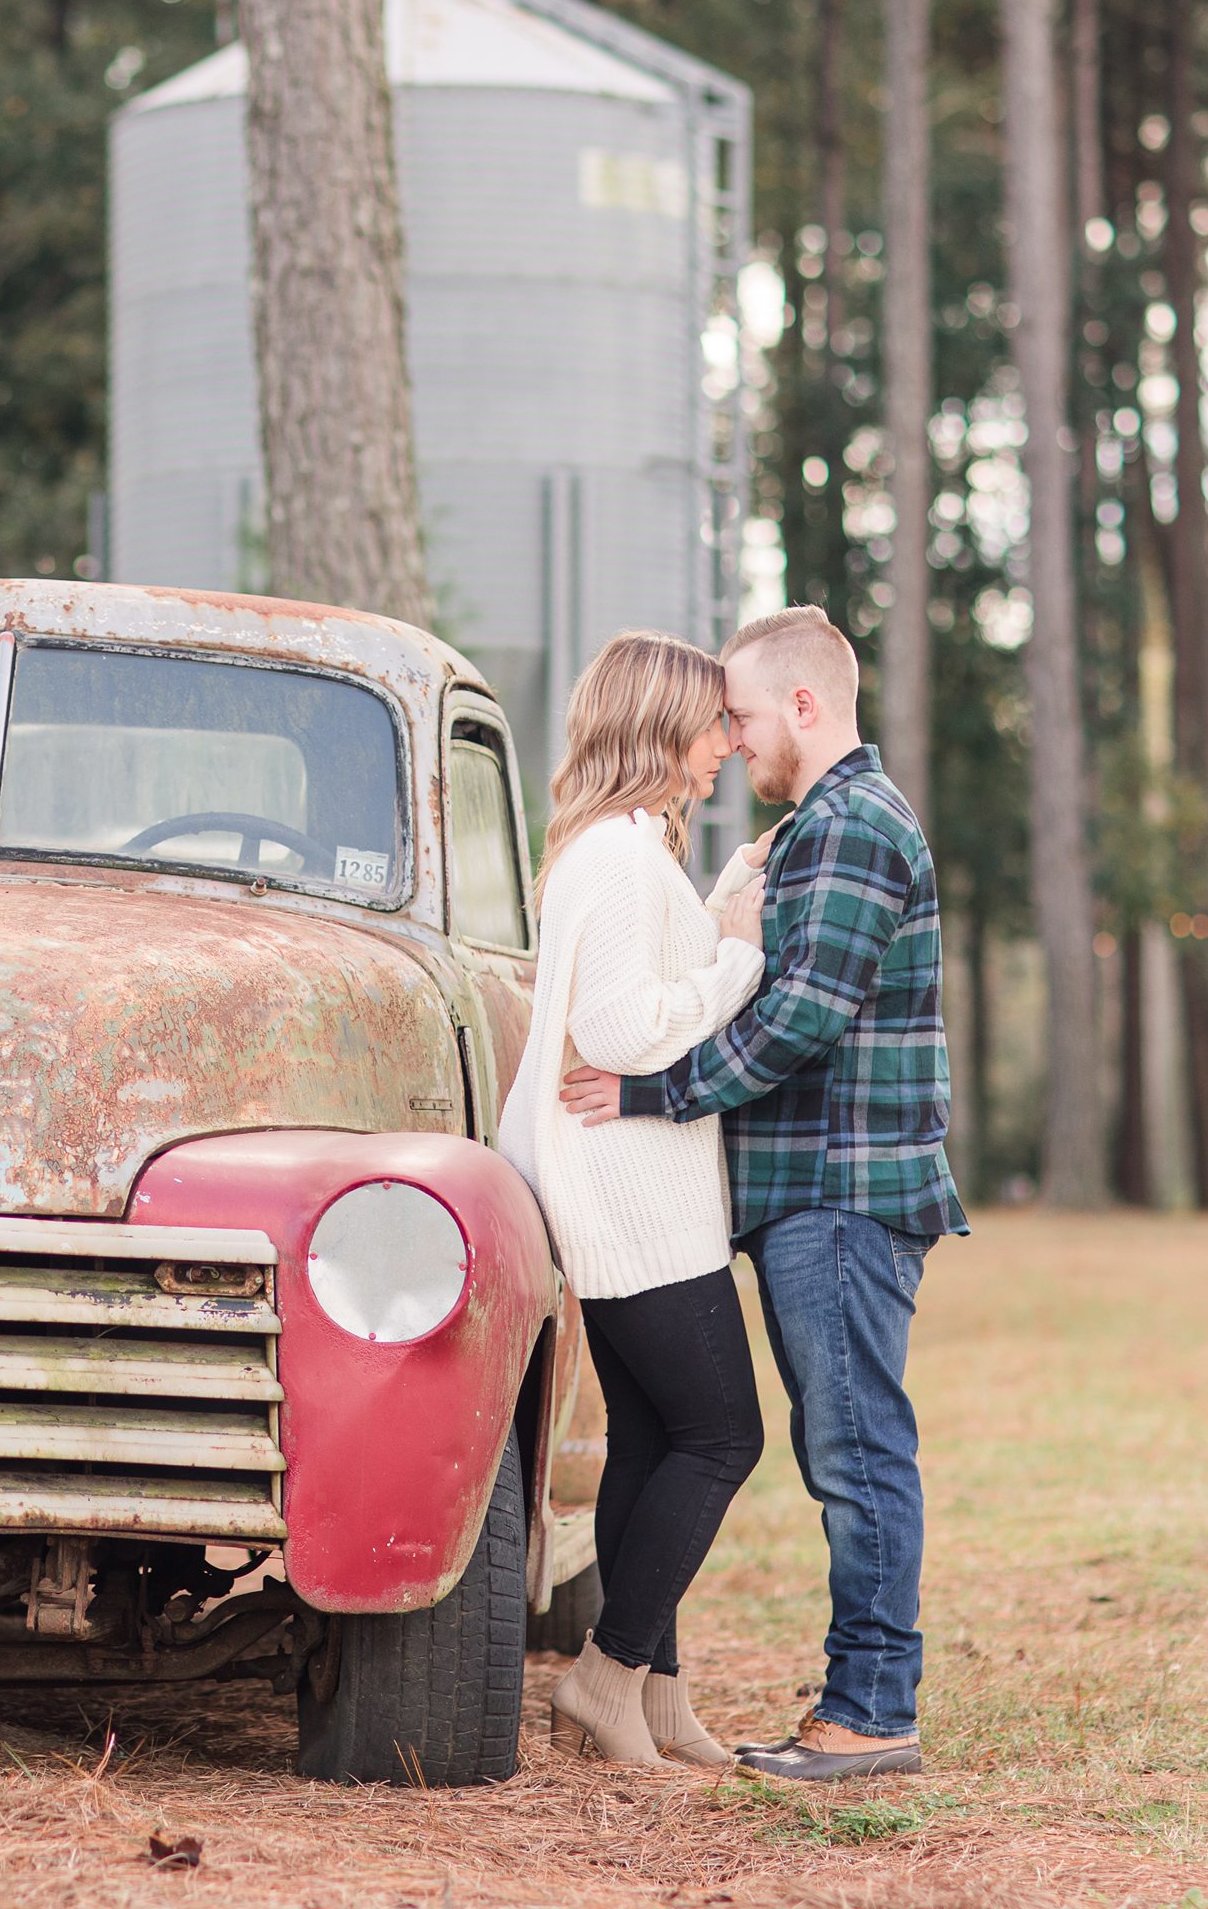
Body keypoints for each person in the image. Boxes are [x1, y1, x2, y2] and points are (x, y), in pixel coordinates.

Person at [561, 604, 967, 1782]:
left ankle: (871, 1710)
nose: (732, 738)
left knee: (856, 1452)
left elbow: (796, 1018)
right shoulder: (812, 831)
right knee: (814, 1443)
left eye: (740, 714)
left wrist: (650, 1093)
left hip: (841, 1193)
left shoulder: (854, 825)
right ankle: (677, 1688)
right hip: (805, 1193)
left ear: (804, 703)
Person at [496, 630, 774, 1771]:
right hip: (632, 1192)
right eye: (714, 723)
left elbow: (648, 968)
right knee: (725, 1434)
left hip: (627, 1183)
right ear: (662, 725)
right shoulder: (617, 857)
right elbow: (620, 1026)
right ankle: (605, 1675)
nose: (729, 743)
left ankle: (656, 1698)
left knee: (655, 1440)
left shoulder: (620, 849)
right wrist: (741, 962)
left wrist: (726, 891)